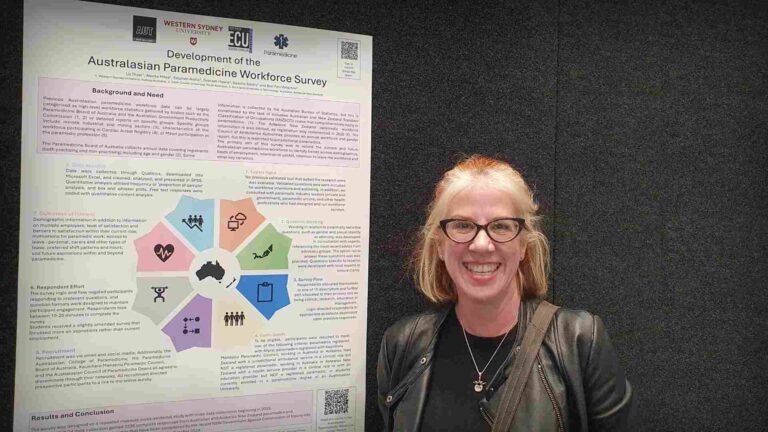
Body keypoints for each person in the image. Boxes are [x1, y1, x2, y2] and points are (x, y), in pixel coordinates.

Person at [377, 155, 634, 431]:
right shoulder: (402, 346)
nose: (481, 244)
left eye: (500, 226)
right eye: (462, 225)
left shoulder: (579, 342)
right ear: (439, 244)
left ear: (524, 245)